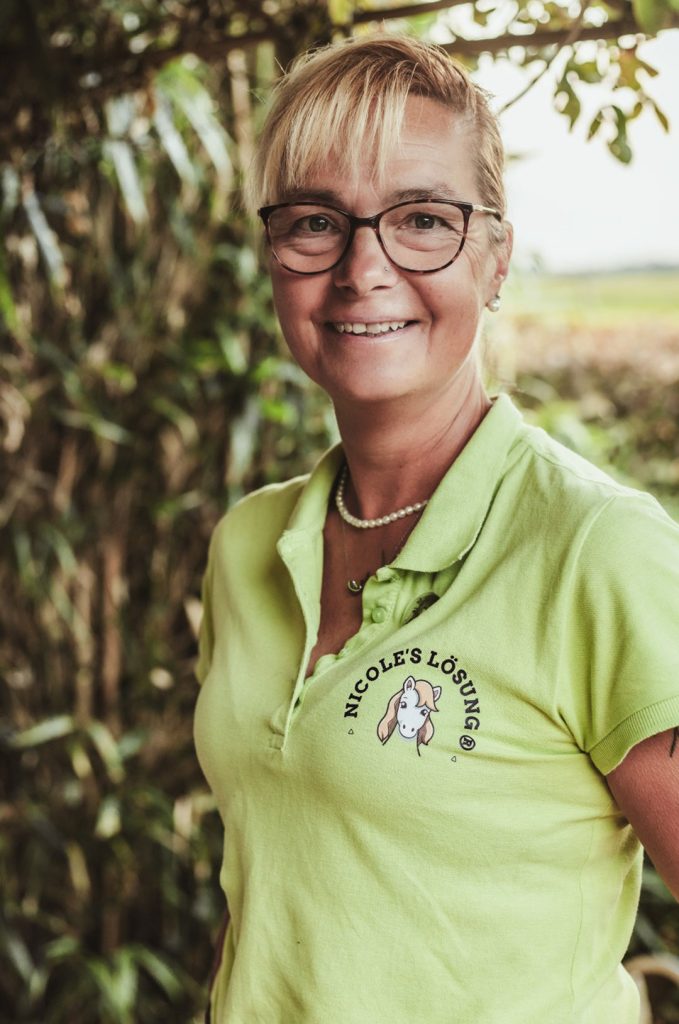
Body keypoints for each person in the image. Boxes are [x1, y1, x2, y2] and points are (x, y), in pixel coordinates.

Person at [194, 33, 679, 1023]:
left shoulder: (595, 550)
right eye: (316, 222)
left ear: (495, 259)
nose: (362, 267)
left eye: (421, 219)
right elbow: (280, 877)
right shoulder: (247, 545)